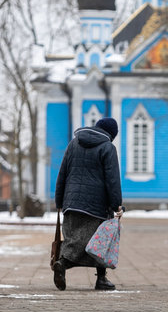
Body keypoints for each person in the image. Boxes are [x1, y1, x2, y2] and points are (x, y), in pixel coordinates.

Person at [53, 117, 124, 291]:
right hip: (97, 205)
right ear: (112, 134)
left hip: (71, 203)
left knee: (73, 240)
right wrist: (117, 205)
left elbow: (63, 172)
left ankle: (62, 264)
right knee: (100, 242)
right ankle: (101, 279)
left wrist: (59, 200)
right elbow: (112, 180)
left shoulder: (73, 143)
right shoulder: (108, 148)